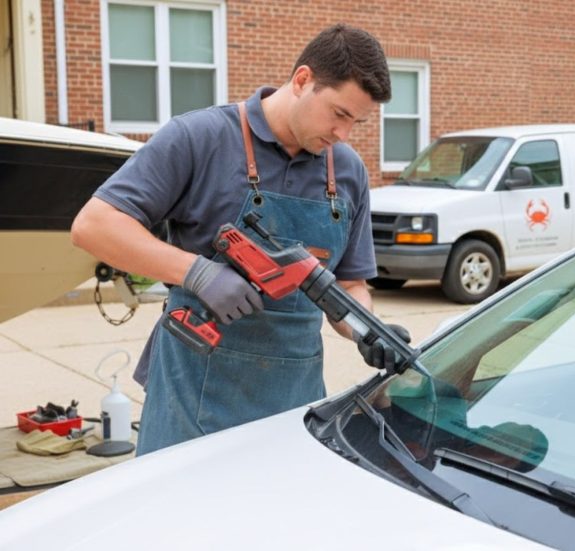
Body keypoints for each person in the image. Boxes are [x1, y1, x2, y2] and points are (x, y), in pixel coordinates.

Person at [71, 23, 406, 455]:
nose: (343, 134)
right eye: (340, 114)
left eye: (356, 122)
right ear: (303, 80)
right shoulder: (199, 138)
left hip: (293, 401)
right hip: (193, 397)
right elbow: (94, 225)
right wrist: (197, 273)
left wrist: (365, 328)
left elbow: (350, 283)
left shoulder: (347, 170)